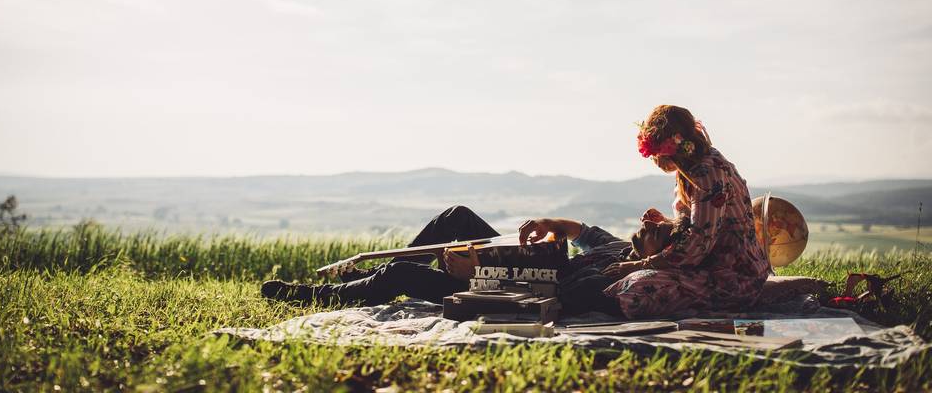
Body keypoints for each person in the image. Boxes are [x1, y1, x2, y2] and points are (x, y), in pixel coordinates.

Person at [260, 204, 689, 315]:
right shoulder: (617, 246)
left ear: (662, 253)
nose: (647, 224)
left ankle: (321, 295)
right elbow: (577, 229)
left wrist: (477, 275)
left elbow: (554, 298)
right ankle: (368, 280)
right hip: (508, 267)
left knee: (400, 274)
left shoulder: (629, 278)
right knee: (456, 218)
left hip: (503, 291)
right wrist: (545, 223)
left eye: (657, 231)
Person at [596, 105, 771, 319]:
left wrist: (640, 265)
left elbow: (697, 245)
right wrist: (667, 222)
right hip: (707, 265)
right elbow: (704, 224)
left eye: (655, 153)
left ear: (670, 146)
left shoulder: (708, 174)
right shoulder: (694, 166)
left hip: (732, 277)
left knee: (641, 286)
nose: (654, 160)